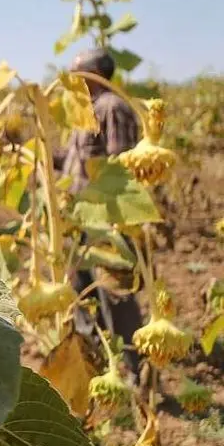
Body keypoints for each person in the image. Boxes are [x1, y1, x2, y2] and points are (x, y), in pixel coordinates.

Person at [56, 47, 144, 377]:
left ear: (95, 73)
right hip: (79, 217)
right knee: (80, 290)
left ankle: (137, 371)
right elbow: (72, 160)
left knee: (116, 294)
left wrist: (112, 220)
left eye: (77, 70)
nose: (72, 77)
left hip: (105, 219)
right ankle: (101, 366)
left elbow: (120, 167)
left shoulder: (112, 107)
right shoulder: (87, 111)